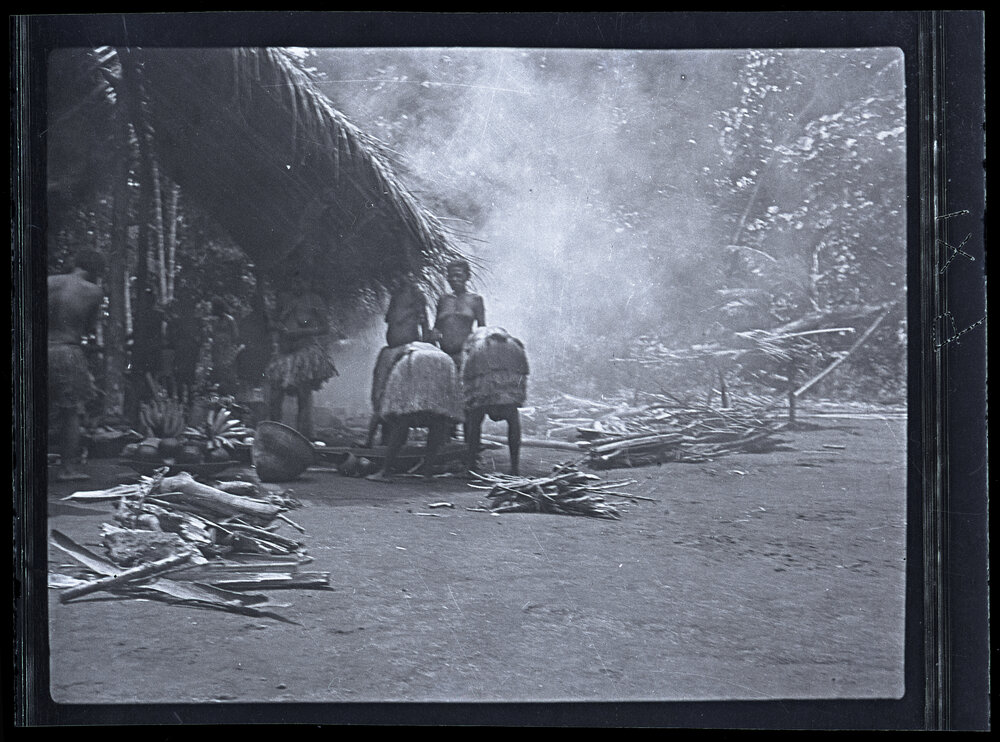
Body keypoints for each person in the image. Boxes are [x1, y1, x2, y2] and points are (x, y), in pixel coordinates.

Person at [47, 249, 105, 481]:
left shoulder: (49, 281)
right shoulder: (94, 291)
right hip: (67, 351)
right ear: (95, 270)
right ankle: (67, 469)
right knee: (71, 412)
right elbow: (89, 328)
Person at [364, 274, 432, 448]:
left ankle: (396, 442)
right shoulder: (396, 295)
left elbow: (425, 325)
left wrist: (423, 348)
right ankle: (377, 440)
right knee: (380, 393)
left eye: (410, 276)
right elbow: (389, 319)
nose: (404, 278)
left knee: (402, 396)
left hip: (408, 349)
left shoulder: (417, 296)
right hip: (390, 349)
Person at [265, 281, 338, 441]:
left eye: (300, 280)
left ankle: (299, 439)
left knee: (303, 396)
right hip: (283, 356)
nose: (296, 285)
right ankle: (273, 436)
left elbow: (325, 328)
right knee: (275, 397)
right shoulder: (284, 298)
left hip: (304, 354)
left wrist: (301, 332)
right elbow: (271, 322)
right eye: (293, 280)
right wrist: (279, 326)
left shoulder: (314, 300)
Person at [432, 259, 485, 370]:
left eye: (458, 275)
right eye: (451, 276)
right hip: (443, 356)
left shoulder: (475, 300)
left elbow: (482, 331)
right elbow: (436, 328)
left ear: (467, 277)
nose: (454, 279)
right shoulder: (443, 300)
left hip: (466, 357)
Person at [201, 297, 244, 397]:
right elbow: (210, 335)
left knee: (227, 377)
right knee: (217, 377)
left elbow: (235, 336)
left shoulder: (229, 320)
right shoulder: (213, 321)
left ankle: (229, 399)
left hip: (227, 353)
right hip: (216, 353)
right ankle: (217, 400)